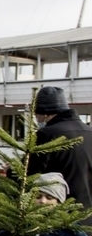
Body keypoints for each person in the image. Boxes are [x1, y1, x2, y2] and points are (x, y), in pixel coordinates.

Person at [28, 86, 92, 227]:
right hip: (88, 216)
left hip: (60, 218)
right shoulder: (90, 132)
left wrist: (11, 171)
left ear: (44, 113)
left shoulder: (46, 134)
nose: (36, 118)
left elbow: (32, 173)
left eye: (36, 114)